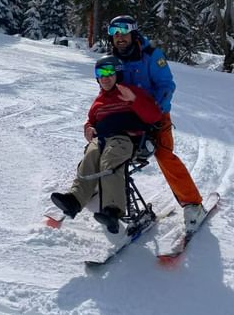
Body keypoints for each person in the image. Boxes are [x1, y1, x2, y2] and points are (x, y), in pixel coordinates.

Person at [107, 15, 205, 232]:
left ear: (133, 32)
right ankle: (103, 199)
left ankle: (193, 204)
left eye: (123, 31)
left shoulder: (151, 55)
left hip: (156, 116)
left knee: (164, 154)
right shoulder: (112, 59)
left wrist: (155, 114)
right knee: (111, 148)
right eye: (114, 33)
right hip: (127, 117)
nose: (119, 37)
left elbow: (166, 86)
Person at [51, 56, 162, 233]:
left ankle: (112, 210)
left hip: (125, 140)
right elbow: (91, 121)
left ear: (118, 73)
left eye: (109, 72)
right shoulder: (99, 101)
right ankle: (75, 200)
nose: (105, 77)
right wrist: (88, 128)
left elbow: (154, 116)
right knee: (90, 156)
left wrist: (133, 99)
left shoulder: (131, 92)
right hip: (101, 139)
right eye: (100, 73)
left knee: (110, 161)